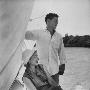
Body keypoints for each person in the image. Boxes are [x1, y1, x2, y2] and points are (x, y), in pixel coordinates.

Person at [25, 13, 66, 85]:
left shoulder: (59, 36)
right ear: (48, 21)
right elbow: (26, 35)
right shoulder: (39, 33)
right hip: (41, 72)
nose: (57, 23)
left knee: (55, 89)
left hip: (55, 71)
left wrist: (63, 64)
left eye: (57, 21)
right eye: (55, 21)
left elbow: (61, 52)